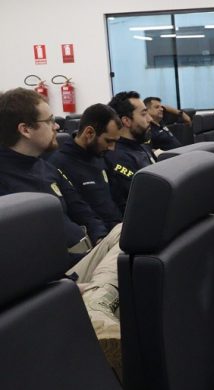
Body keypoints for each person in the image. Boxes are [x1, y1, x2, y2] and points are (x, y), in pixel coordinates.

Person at [0, 88, 122, 362]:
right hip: (53, 275)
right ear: (25, 129)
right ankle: (97, 306)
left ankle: (97, 300)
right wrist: (64, 284)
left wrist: (100, 238)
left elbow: (81, 209)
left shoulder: (44, 167)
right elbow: (18, 258)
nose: (57, 126)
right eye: (49, 120)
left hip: (79, 258)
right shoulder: (5, 179)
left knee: (126, 232)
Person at [49, 103, 123, 230]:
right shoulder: (58, 165)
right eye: (108, 141)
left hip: (119, 228)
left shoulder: (101, 156)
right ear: (89, 133)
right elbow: (79, 213)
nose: (112, 148)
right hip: (100, 235)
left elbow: (118, 199)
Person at [105, 91, 156, 211]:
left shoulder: (141, 146)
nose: (150, 119)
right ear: (126, 121)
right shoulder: (117, 157)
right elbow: (144, 200)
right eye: (144, 114)